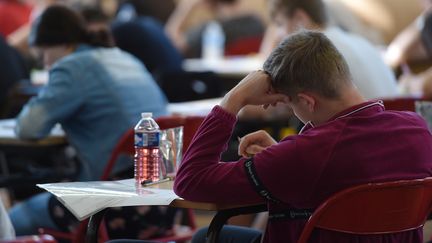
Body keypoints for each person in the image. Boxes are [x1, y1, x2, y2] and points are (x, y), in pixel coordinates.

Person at [172, 30, 432, 242]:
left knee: (205, 237)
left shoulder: (307, 153)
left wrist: (233, 100)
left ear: (307, 101)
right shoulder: (418, 130)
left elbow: (190, 181)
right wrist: (280, 156)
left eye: (288, 103)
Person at [9, 5, 169, 236]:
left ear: (63, 44)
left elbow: (28, 128)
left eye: (43, 55)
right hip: (166, 200)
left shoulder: (71, 67)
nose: (45, 65)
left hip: (115, 205)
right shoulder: (122, 57)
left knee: (13, 219)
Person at [260, 0, 399, 100]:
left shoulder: (312, 53)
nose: (278, 35)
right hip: (390, 129)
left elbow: (280, 103)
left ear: (299, 19)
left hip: (359, 134)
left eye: (280, 24)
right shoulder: (360, 42)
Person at [165, 0, 265, 58]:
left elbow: (170, 46)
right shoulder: (256, 21)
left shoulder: (209, 29)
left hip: (212, 86)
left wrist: (186, 7)